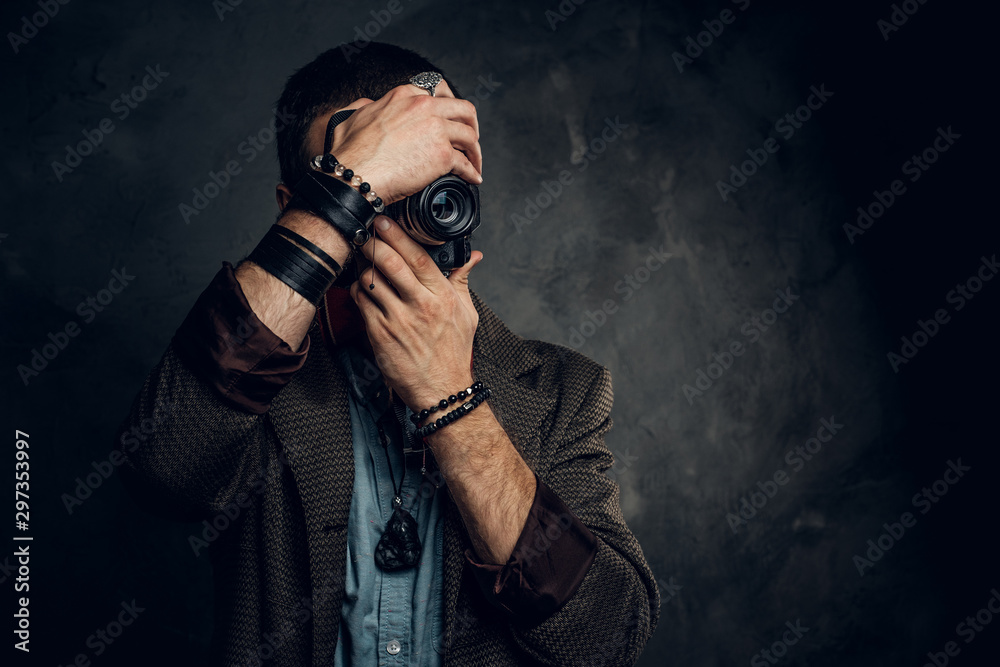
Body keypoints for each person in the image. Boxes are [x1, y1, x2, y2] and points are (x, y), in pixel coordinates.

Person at [115, 41, 660, 666]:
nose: (395, 219)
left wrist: (451, 400)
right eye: (371, 189)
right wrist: (343, 190)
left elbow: (605, 641)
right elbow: (161, 470)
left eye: (422, 182)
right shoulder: (255, 378)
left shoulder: (563, 388)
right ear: (293, 207)